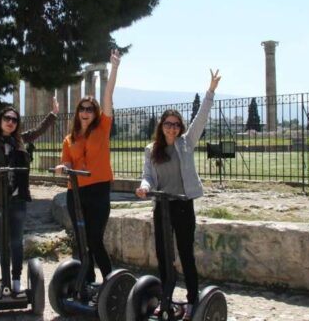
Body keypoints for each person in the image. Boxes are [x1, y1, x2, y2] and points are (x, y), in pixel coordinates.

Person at [135, 68, 222, 320]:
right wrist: (144, 187)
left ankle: (193, 299)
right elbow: (148, 176)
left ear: (180, 127)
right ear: (161, 126)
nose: (172, 128)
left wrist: (211, 91)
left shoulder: (186, 142)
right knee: (164, 256)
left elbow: (201, 118)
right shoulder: (151, 149)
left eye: (176, 125)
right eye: (167, 124)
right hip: (161, 207)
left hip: (183, 205)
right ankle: (165, 298)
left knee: (185, 253)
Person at [0, 98, 59, 298]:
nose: (10, 122)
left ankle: (15, 280)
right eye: (7, 118)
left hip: (16, 199)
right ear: (0, 121)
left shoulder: (20, 142)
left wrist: (53, 114)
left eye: (14, 120)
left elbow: (38, 131)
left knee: (16, 242)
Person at [55, 49, 121, 285]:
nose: (86, 112)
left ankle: (110, 281)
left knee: (95, 238)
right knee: (81, 239)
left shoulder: (103, 128)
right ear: (78, 113)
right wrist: (62, 168)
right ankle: (88, 281)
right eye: (82, 109)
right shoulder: (68, 139)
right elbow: (67, 162)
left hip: (99, 190)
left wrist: (114, 68)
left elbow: (108, 94)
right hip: (76, 192)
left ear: (95, 113)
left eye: (90, 109)